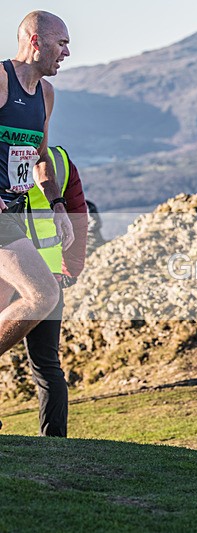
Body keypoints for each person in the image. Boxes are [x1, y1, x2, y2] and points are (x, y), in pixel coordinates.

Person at [0, 11, 74, 361]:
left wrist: (58, 204)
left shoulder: (45, 93)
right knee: (43, 295)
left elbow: (40, 156)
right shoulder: (1, 80)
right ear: (35, 42)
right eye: (61, 44)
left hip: (15, 212)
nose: (67, 53)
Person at [21, 145, 88, 437]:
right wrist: (71, 267)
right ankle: (54, 440)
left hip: (7, 271)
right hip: (49, 275)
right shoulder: (60, 160)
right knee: (47, 365)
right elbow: (78, 217)